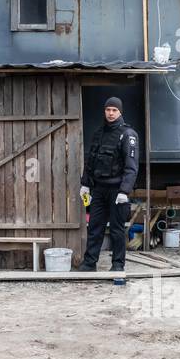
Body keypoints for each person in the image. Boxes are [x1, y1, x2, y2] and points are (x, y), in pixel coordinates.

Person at [76, 97, 139, 272]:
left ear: (120, 112)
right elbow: (91, 162)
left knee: (117, 230)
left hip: (117, 191)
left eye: (114, 110)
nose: (110, 113)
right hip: (99, 189)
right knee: (95, 227)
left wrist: (125, 191)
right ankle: (89, 263)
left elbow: (131, 166)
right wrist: (85, 184)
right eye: (108, 110)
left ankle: (118, 265)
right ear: (104, 111)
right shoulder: (99, 133)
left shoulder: (128, 135)